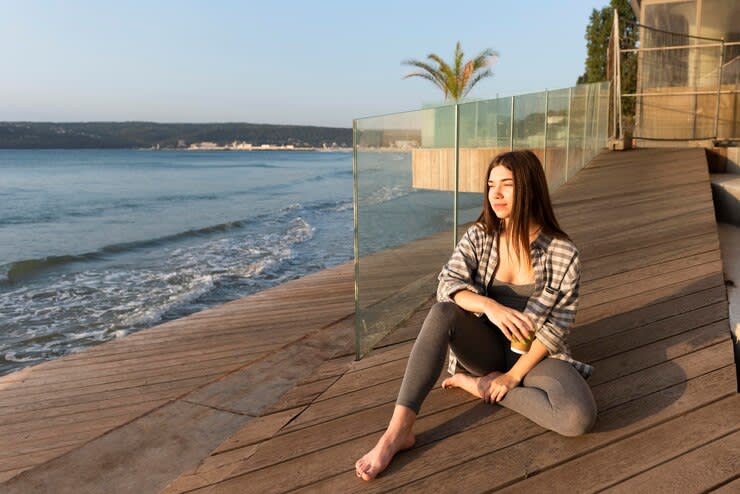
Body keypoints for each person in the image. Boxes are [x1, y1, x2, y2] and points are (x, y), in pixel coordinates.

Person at [355, 149, 597, 481]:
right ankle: (397, 432)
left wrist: (510, 378)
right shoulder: (480, 237)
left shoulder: (563, 252)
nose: (495, 194)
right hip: (483, 349)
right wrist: (490, 306)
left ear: (530, 188)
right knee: (443, 312)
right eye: (490, 185)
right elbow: (447, 283)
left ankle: (477, 386)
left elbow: (557, 327)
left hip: (536, 357)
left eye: (507, 185)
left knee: (577, 418)